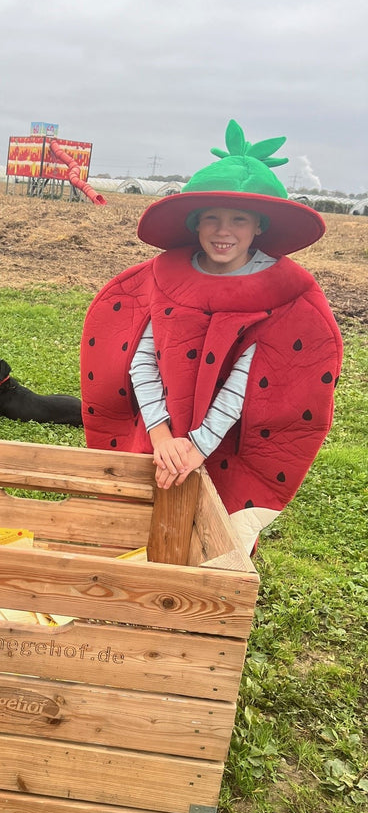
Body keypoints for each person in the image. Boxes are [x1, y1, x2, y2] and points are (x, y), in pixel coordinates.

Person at [81, 120, 343, 553]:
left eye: (239, 219)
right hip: (157, 430)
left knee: (211, 538)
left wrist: (198, 445)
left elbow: (257, 380)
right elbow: (141, 358)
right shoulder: (161, 278)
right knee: (143, 522)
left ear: (259, 226)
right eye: (212, 219)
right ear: (194, 224)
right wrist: (164, 437)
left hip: (228, 442)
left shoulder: (286, 294)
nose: (224, 231)